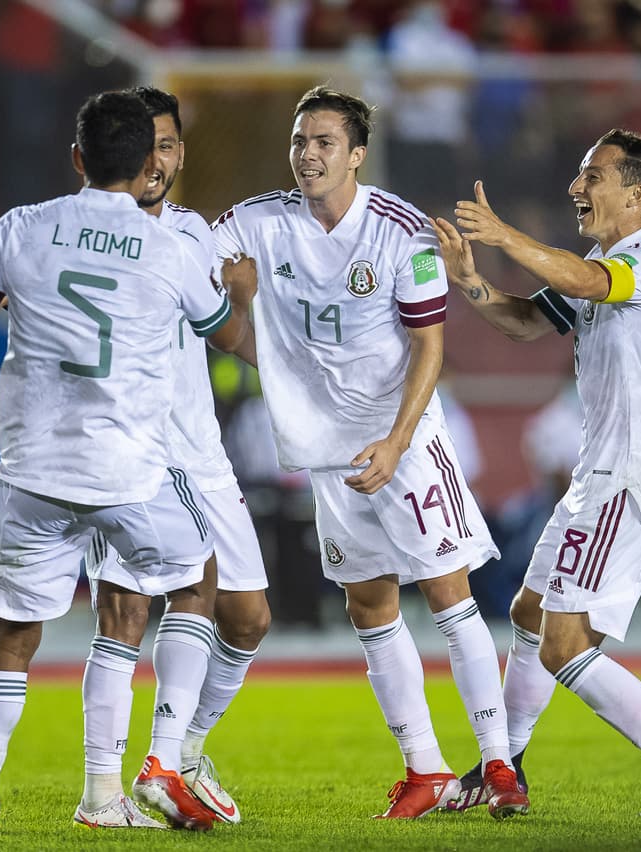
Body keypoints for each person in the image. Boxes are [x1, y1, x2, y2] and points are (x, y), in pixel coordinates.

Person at [0, 86, 270, 828]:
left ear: (78, 158)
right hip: (131, 470)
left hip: (31, 474)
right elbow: (231, 337)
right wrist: (240, 298)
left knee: (14, 630)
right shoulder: (170, 249)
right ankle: (163, 761)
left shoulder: (21, 227)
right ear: (143, 162)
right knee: (196, 578)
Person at [214, 86, 527, 820]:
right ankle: (425, 770)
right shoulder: (256, 222)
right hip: (330, 453)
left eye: (324, 141)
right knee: (368, 604)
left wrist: (397, 440)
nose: (308, 154)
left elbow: (428, 347)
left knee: (448, 592)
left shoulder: (400, 232)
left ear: (357, 154)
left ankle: (499, 764)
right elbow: (205, 304)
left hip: (404, 440)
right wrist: (242, 309)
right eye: (300, 140)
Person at [431, 128, 641, 817]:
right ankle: (505, 768)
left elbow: (585, 282)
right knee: (530, 614)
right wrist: (470, 279)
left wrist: (504, 235)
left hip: (627, 475)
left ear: (636, 192)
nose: (576, 188)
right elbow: (527, 321)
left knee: (563, 645)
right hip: (600, 473)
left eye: (592, 176)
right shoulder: (603, 262)